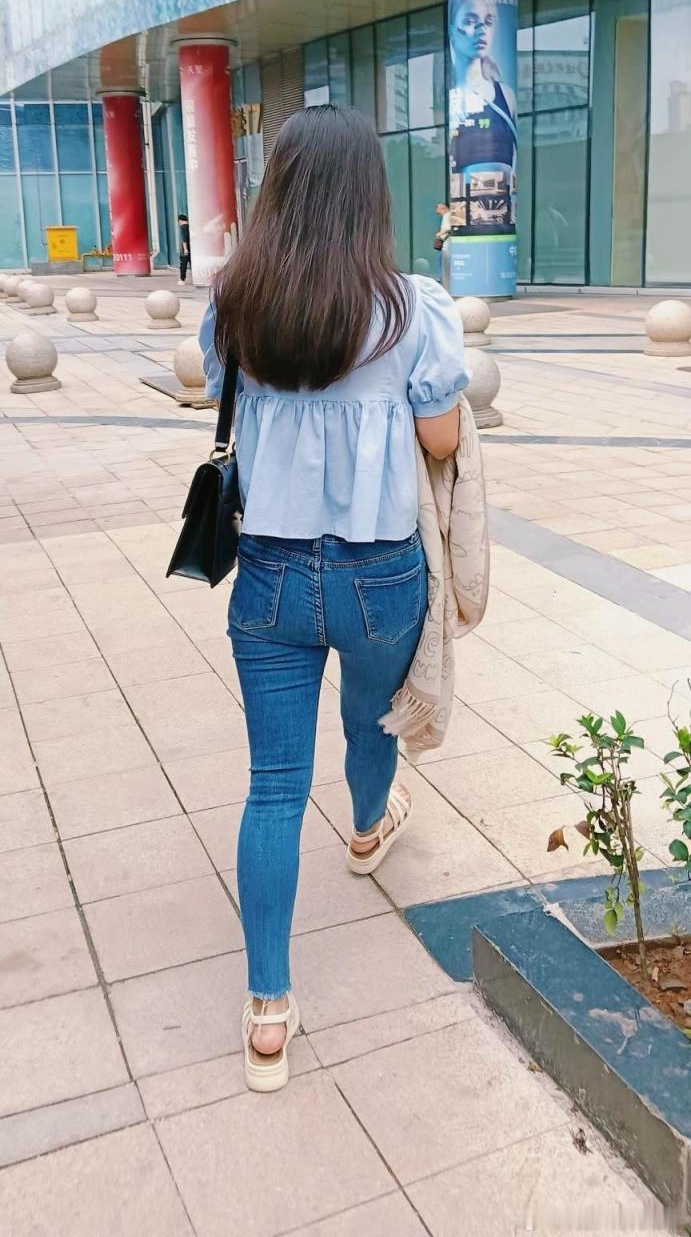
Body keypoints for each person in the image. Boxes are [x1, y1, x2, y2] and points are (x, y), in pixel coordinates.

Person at [200, 104, 466, 1093]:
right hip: (378, 573)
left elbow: (223, 401)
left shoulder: (238, 303)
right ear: (369, 196)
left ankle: (268, 1010)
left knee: (273, 786)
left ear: (276, 190)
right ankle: (366, 828)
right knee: (371, 715)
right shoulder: (413, 308)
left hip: (268, 574)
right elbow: (442, 439)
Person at [448, 0, 517, 182]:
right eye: (470, 21)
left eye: (488, 22)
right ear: (452, 30)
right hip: (464, 199)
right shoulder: (453, 101)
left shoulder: (506, 96)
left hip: (504, 199)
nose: (482, 30)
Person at [177, 211, 190, 284]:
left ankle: (182, 280)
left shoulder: (182, 227)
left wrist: (185, 249)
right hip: (191, 249)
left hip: (185, 251)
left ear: (180, 220)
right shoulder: (189, 227)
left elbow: (184, 239)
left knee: (183, 265)